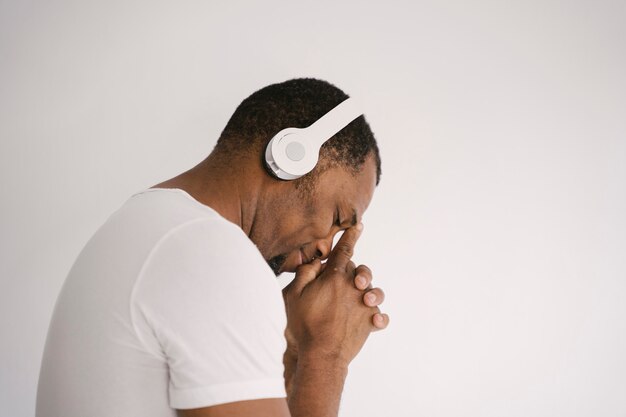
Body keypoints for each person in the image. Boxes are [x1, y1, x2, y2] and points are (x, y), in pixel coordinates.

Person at [36, 78, 389, 417]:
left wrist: (293, 352)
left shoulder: (155, 224)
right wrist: (327, 353)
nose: (327, 249)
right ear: (291, 155)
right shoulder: (213, 256)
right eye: (337, 217)